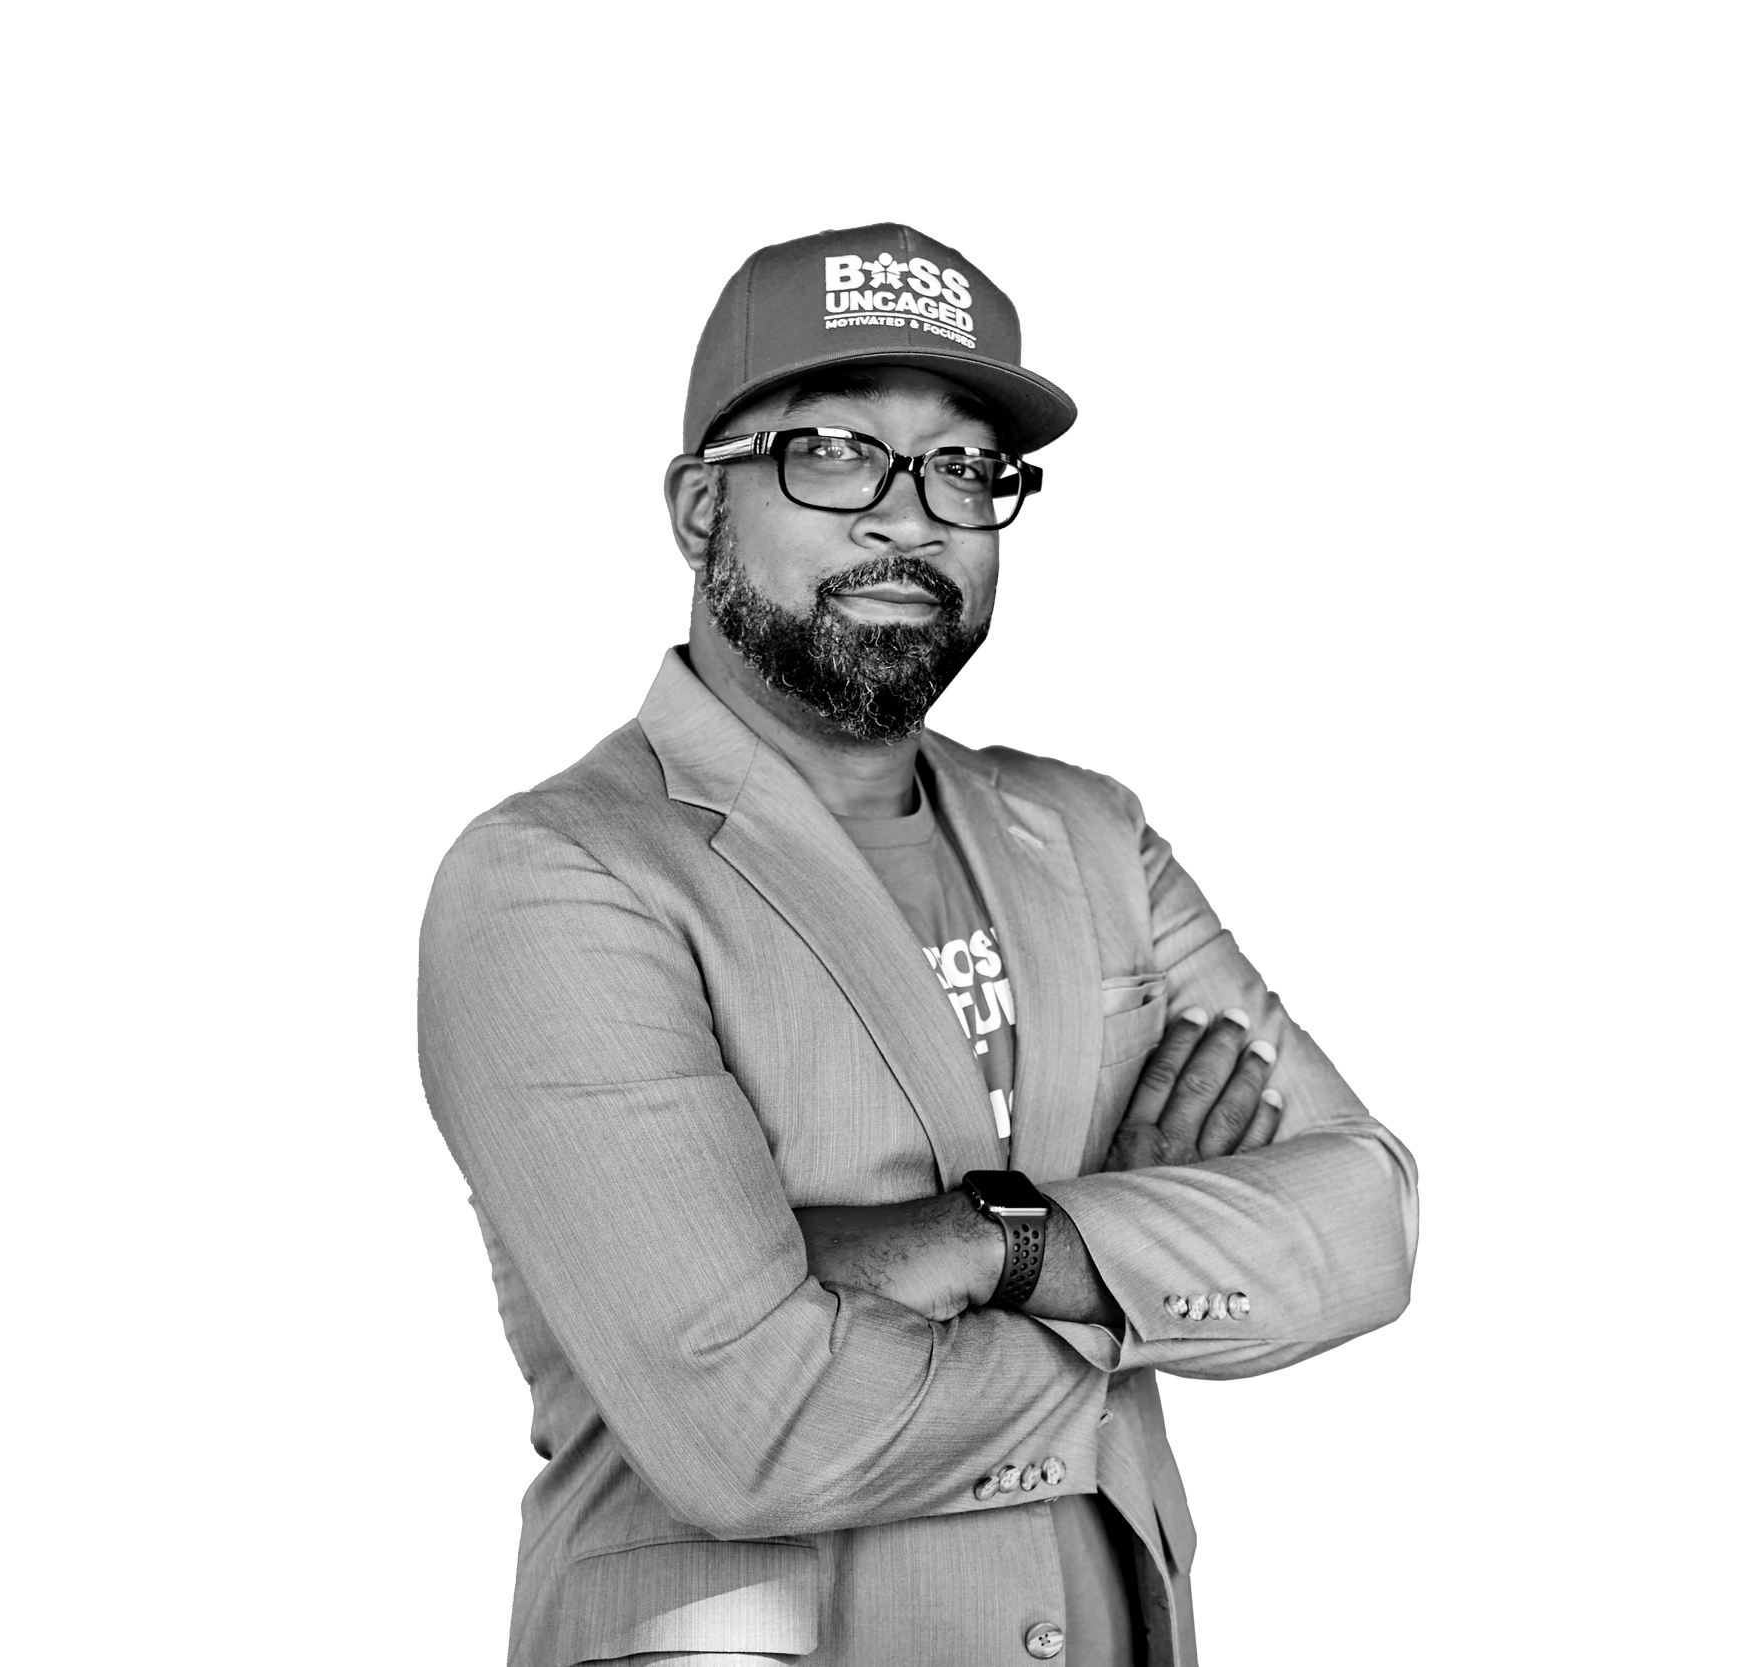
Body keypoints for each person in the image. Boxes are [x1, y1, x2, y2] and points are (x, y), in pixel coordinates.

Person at [416, 222, 1420, 1667]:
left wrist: (994, 1245)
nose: (911, 517)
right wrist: (1142, 1273)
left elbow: (1372, 1228)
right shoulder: (557, 878)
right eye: (834, 453)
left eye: (966, 465)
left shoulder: (1096, 836)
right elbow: (753, 1431)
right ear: (694, 506)